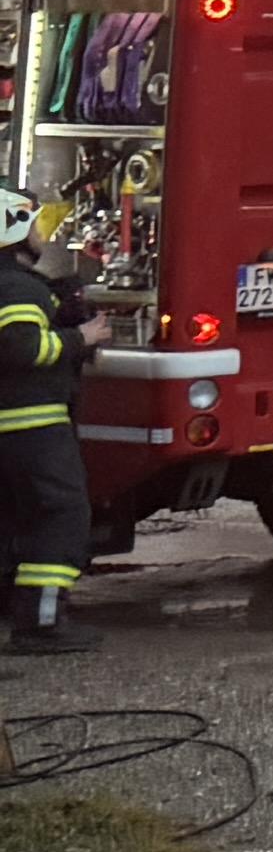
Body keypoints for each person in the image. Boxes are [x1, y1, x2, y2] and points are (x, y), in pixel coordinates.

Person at [0, 194, 86, 660]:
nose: (40, 235)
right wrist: (80, 338)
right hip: (32, 427)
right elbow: (21, 348)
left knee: (14, 521)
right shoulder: (16, 287)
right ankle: (42, 624)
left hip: (16, 429)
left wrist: (60, 312)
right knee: (61, 516)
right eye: (33, 226)